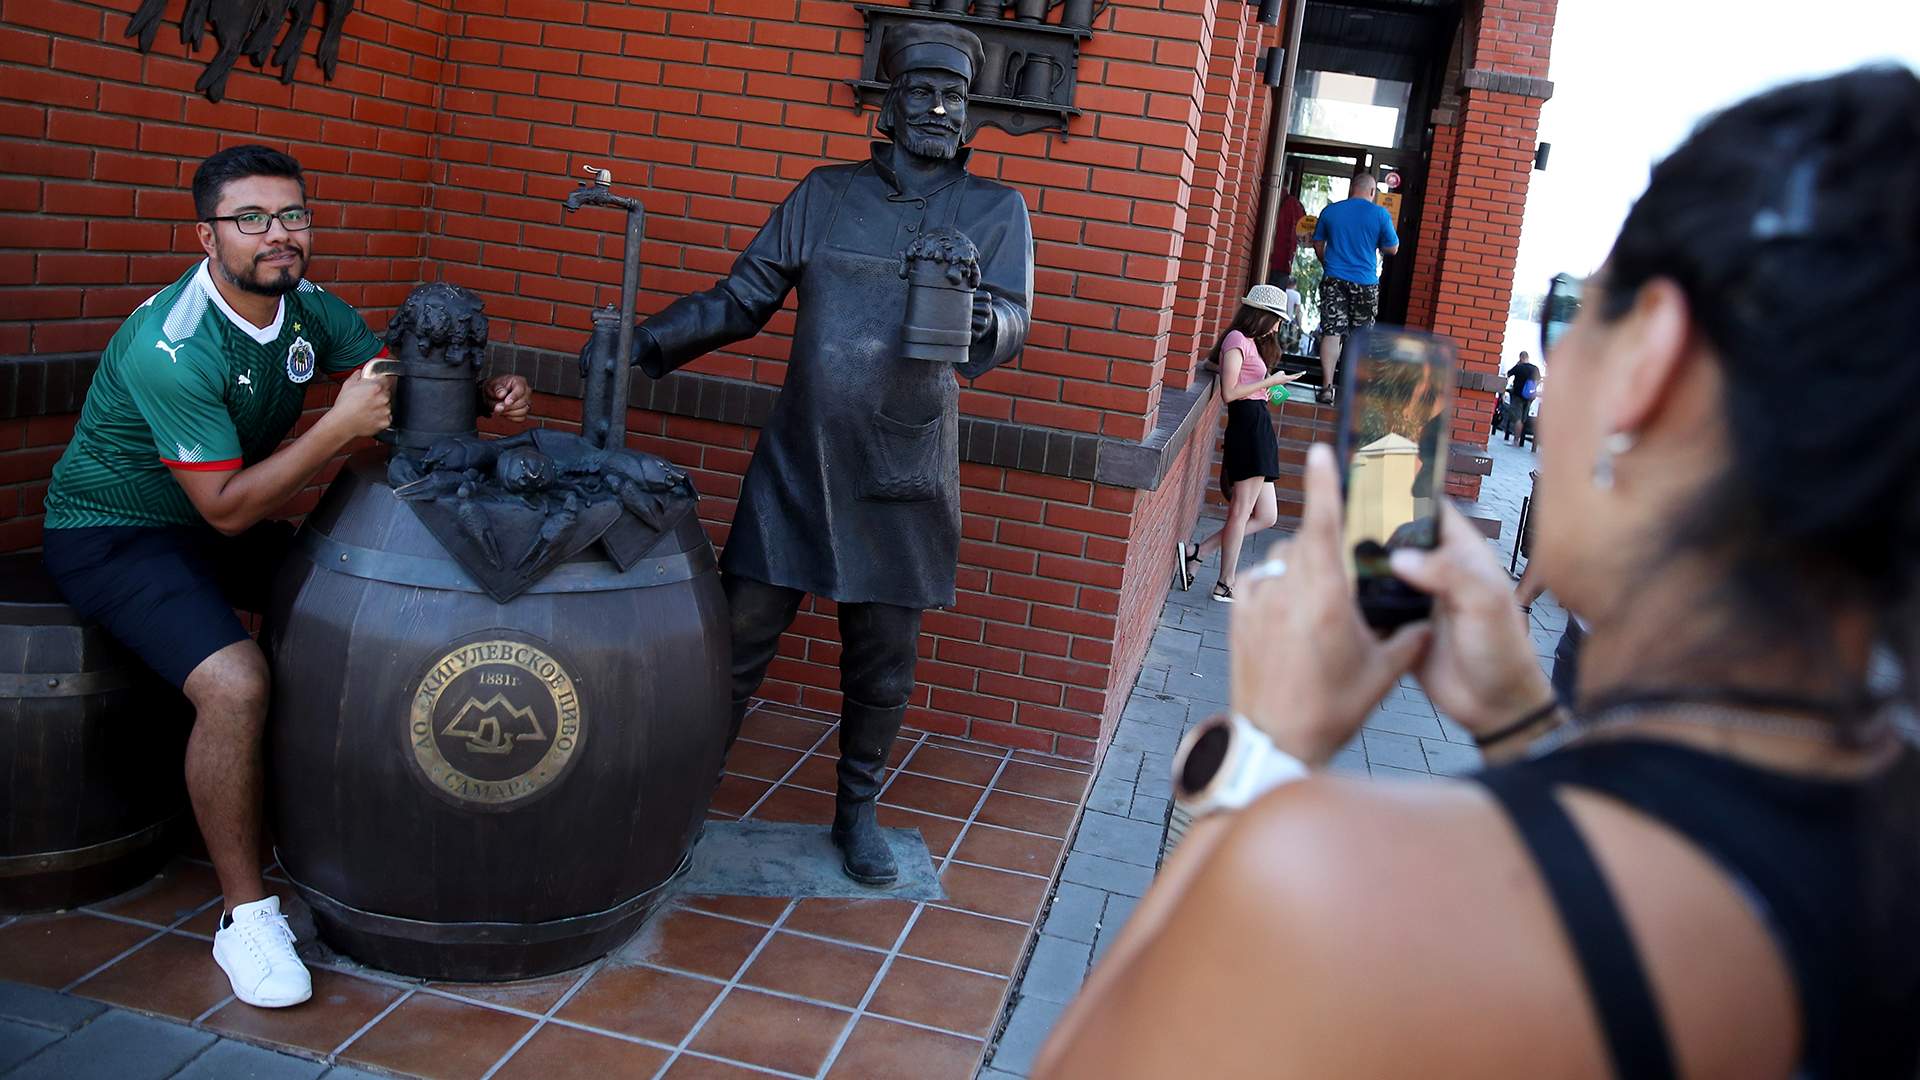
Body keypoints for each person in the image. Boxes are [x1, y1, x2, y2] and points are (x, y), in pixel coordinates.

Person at [1036, 67, 1920, 1079]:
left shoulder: (1348, 895)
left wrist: (1267, 751)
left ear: (1650, 356)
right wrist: (1519, 724)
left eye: (1570, 319)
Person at [38, 145, 532, 1009]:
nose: (279, 235)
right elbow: (226, 508)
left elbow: (388, 385)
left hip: (218, 517)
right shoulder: (171, 344)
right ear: (207, 234)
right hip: (118, 534)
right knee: (236, 683)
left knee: (364, 606)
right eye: (252, 219)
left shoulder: (307, 309)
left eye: (293, 215)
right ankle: (245, 916)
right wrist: (340, 428)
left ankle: (350, 817)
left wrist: (479, 396)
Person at [626, 24, 1032, 886]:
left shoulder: (995, 211)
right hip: (798, 460)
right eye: (917, 93)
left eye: (951, 97)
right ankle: (684, 803)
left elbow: (1013, 322)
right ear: (886, 108)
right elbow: (743, 298)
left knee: (881, 658)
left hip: (902, 469)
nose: (934, 109)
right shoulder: (824, 194)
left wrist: (975, 313)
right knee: (734, 641)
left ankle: (858, 810)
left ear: (968, 117)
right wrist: (643, 345)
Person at [1178, 286, 1304, 603]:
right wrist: (1271, 381)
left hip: (1257, 421)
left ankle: (1199, 551)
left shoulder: (1250, 343)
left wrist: (1274, 391)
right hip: (1246, 426)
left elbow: (1223, 371)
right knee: (1241, 512)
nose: (1277, 327)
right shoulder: (1236, 339)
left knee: (1267, 515)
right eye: (1275, 319)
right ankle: (1225, 583)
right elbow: (1230, 393)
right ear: (1261, 315)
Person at [1311, 170, 1399, 404]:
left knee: (1332, 332)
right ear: (1372, 191)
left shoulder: (1331, 211)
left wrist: (1326, 262)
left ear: (1352, 189)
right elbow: (1393, 248)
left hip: (1334, 279)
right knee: (1360, 337)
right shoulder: (1380, 214)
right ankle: (1351, 391)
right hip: (1366, 283)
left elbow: (1317, 241)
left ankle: (1327, 387)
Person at [1504, 349, 1542, 443]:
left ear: (1521, 358)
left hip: (1517, 395)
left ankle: (1516, 440)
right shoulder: (1535, 368)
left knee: (1517, 418)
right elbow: (1538, 381)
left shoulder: (1519, 367)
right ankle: (1519, 439)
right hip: (1529, 396)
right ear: (1528, 358)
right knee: (1523, 418)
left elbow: (1508, 374)